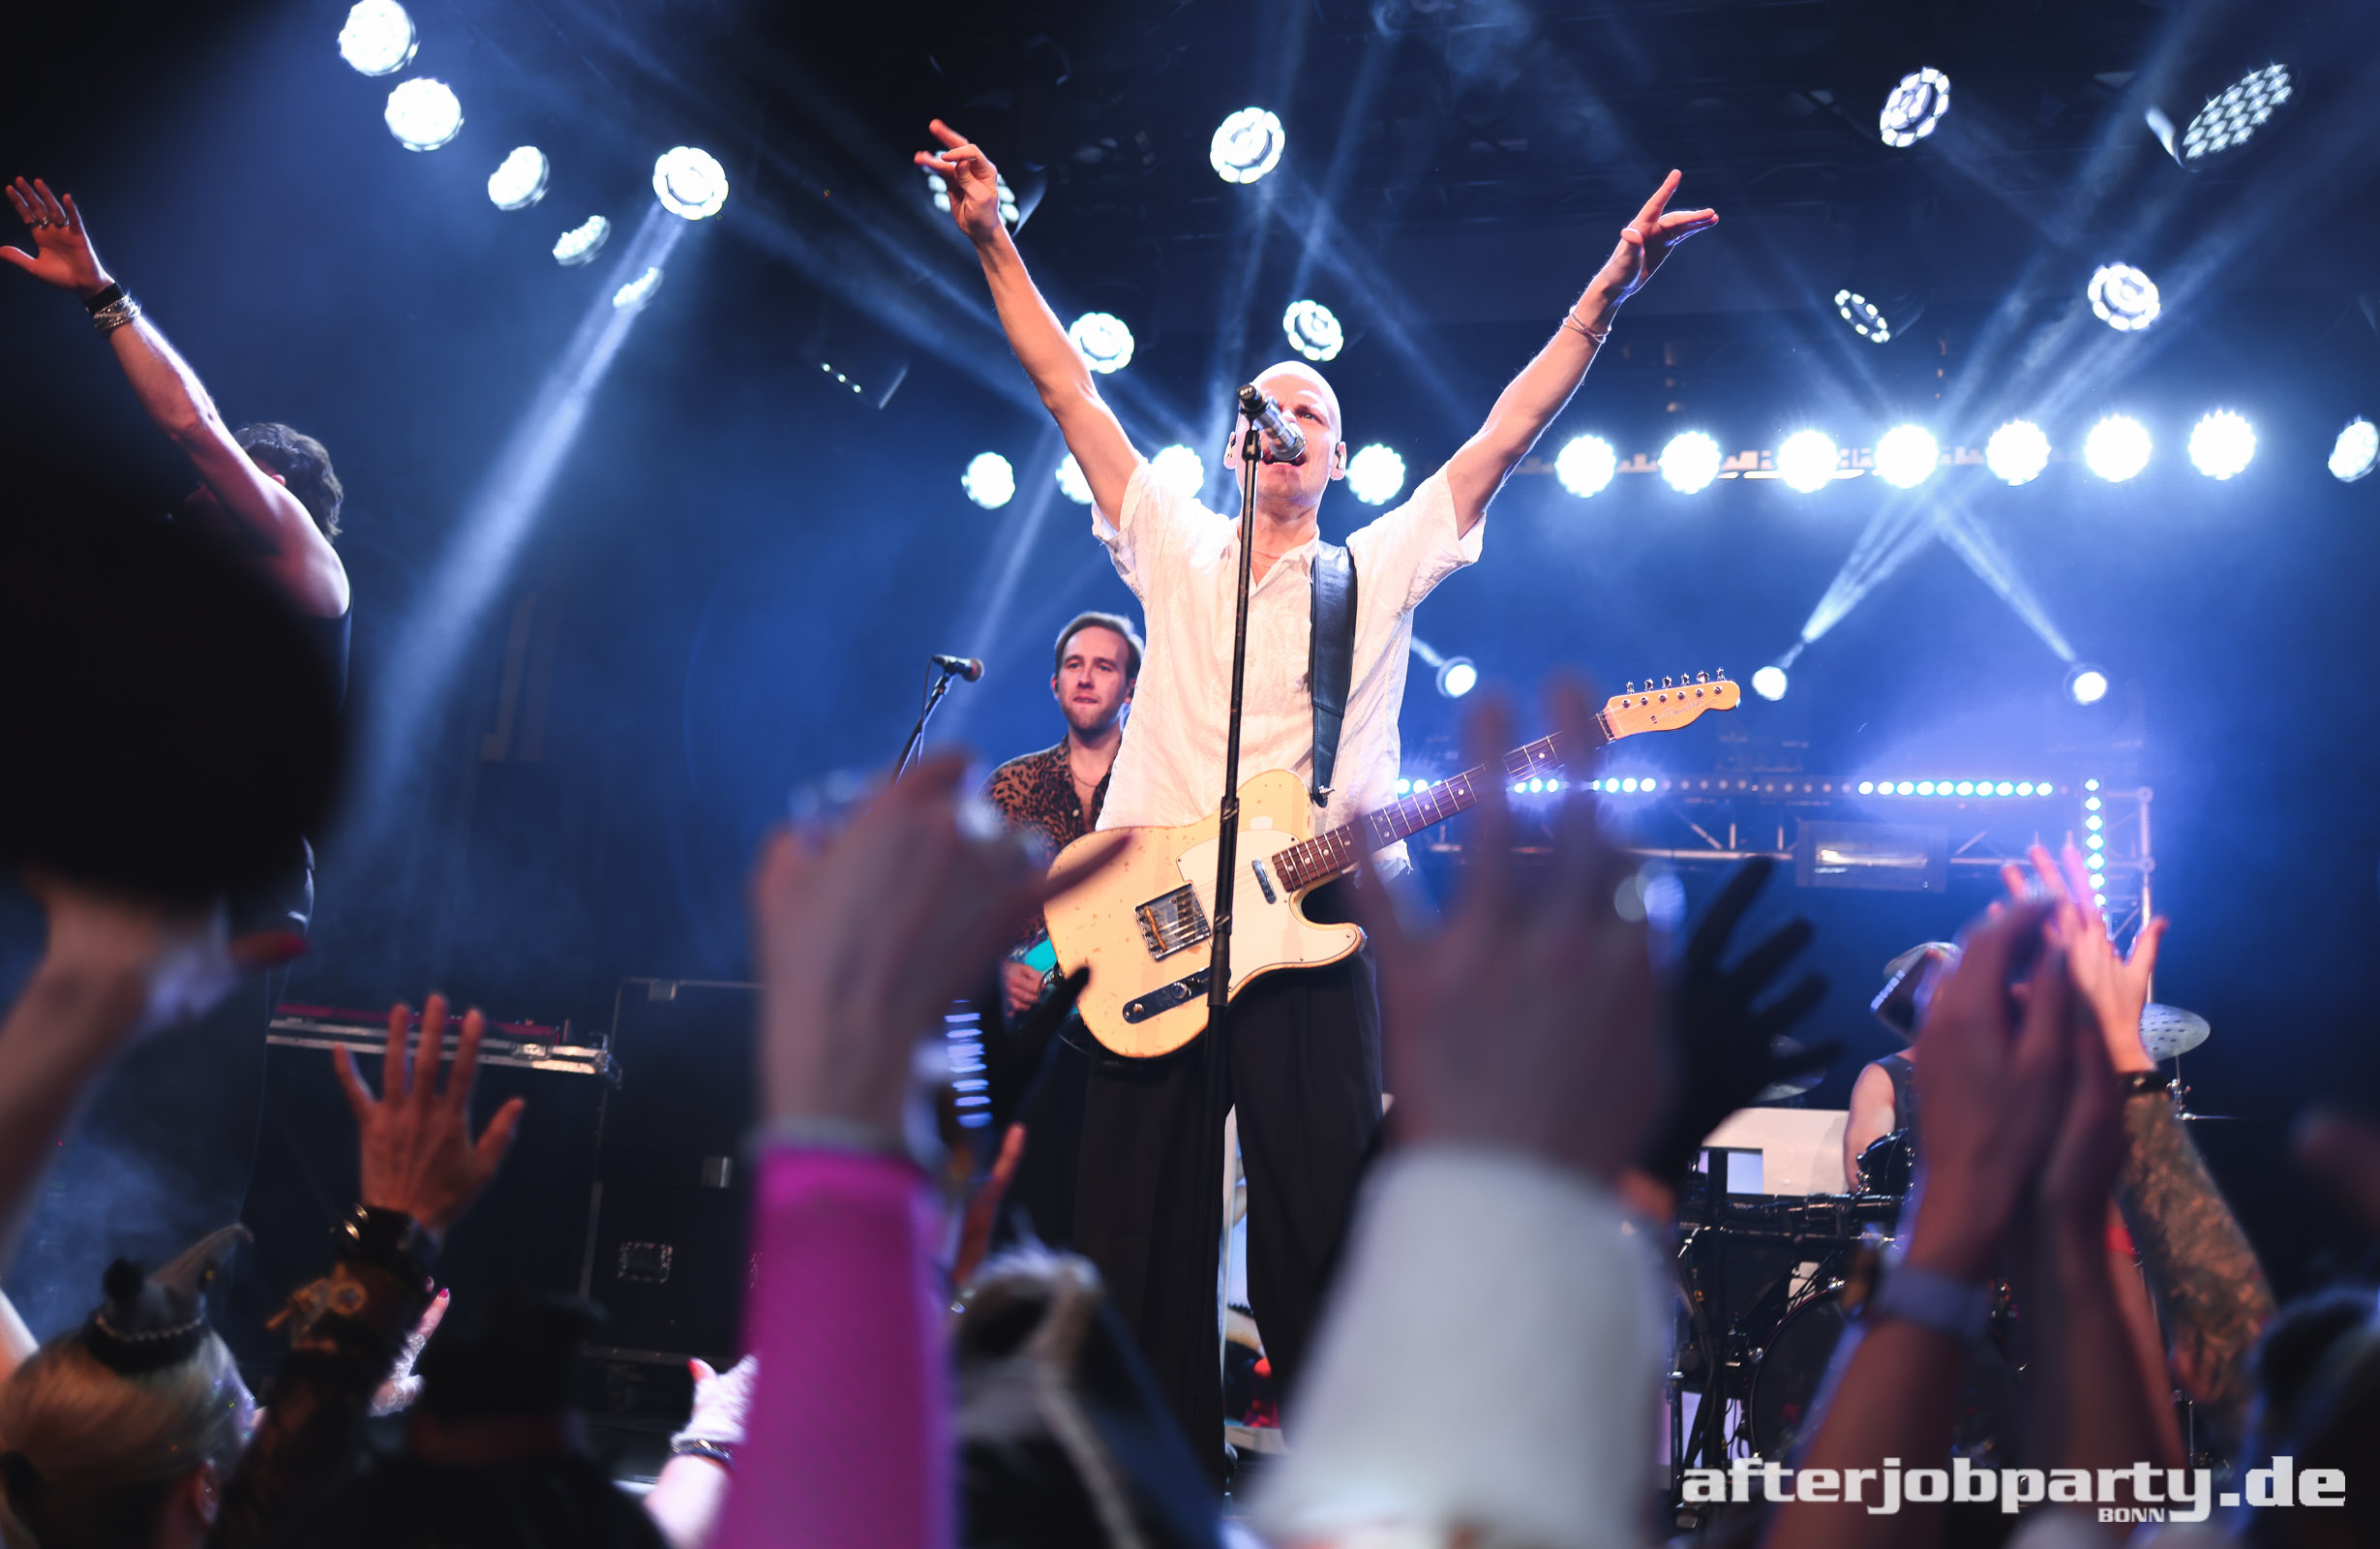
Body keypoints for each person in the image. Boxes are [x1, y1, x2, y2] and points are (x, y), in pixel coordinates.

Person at [917, 115, 1717, 1466]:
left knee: (1322, 1226)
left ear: (1337, 458)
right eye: (1268, 411)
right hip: (1152, 921)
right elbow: (1068, 392)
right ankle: (1144, 1489)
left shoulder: (1379, 563)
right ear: (1238, 442)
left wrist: (1599, 303)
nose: (1286, 428)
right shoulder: (1172, 539)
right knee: (1132, 1239)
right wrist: (993, 238)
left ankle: (1350, 1487)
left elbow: (1507, 432)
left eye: (1315, 419)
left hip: (1320, 917)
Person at [3, 175, 354, 1339]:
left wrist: (103, 296)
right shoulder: (196, 607)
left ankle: (163, 1401)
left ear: (277, 496)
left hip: (230, 913)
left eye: (222, 493)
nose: (195, 501)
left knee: (170, 1175)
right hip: (144, 892)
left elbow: (191, 428)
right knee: (73, 1145)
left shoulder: (302, 566)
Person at [983, 611, 1143, 1249]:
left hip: (1132, 1021)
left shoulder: (1159, 788)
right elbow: (967, 907)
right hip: (1030, 1035)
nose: (1085, 677)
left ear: (1130, 688)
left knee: (1111, 1213)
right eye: (1074, 665)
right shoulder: (1009, 786)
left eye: (1104, 666)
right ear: (1054, 685)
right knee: (1027, 1211)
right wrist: (995, 971)